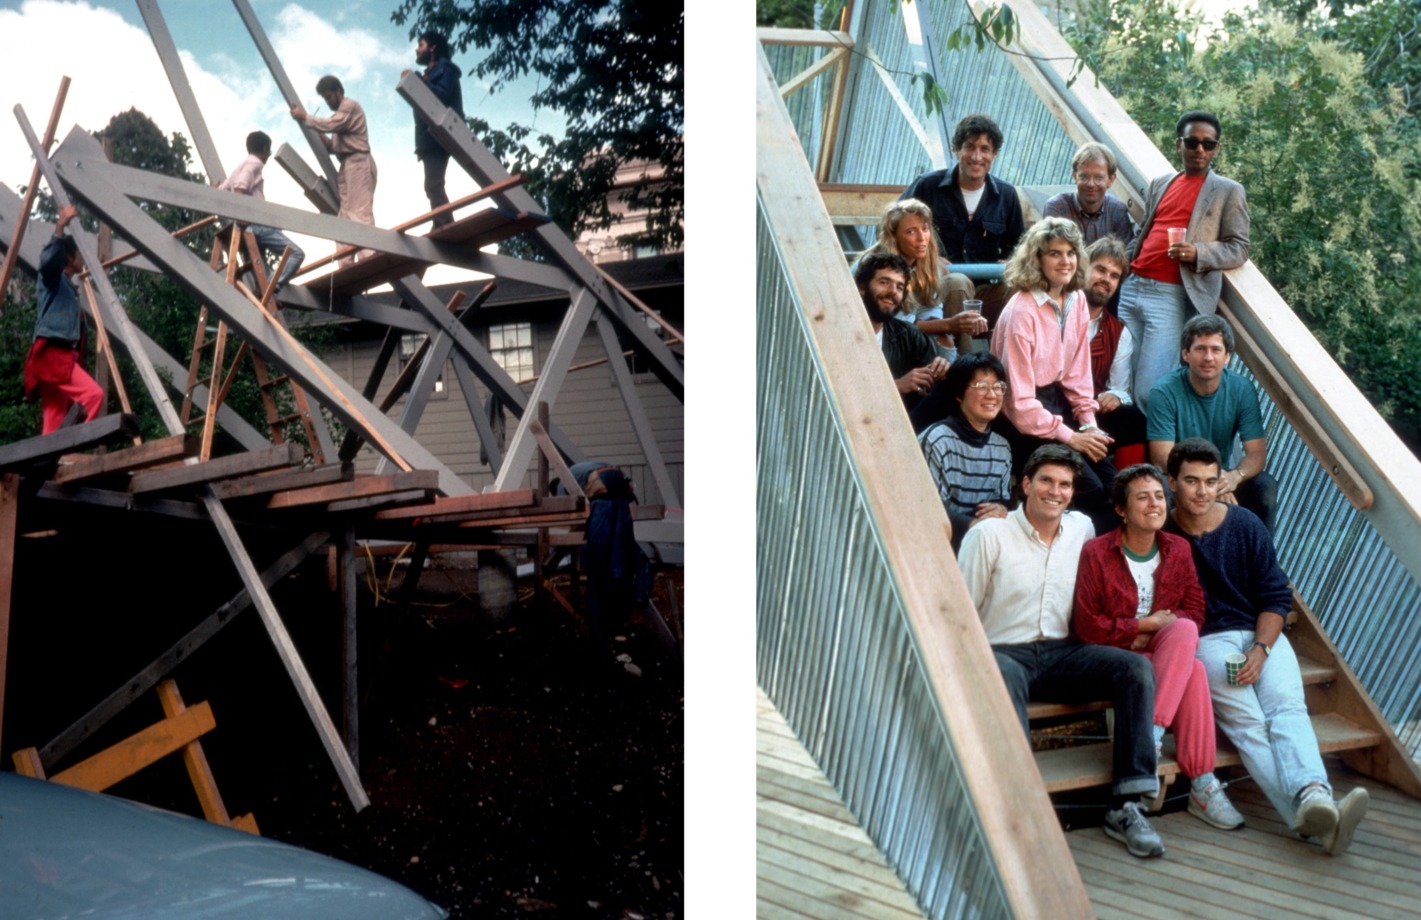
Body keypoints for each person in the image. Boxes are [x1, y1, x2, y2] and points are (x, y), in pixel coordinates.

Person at [1163, 438, 1368, 855]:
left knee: (1287, 709)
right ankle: (1318, 815)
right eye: (1191, 481)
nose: (1202, 491)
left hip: (1260, 632)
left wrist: (1260, 648)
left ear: (1221, 481)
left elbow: (1276, 596)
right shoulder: (1163, 536)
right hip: (1208, 641)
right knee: (1250, 724)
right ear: (1172, 482)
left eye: (1210, 481)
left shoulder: (1245, 525)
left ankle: (1313, 796)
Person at [958, 444, 1162, 858]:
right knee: (1004, 674)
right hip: (1003, 652)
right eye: (1046, 481)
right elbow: (961, 613)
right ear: (1025, 484)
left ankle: (1127, 803)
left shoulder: (1082, 528)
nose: (1055, 491)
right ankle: (1017, 808)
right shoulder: (989, 534)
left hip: (1062, 653)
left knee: (1133, 669)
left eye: (1065, 484)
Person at [1073, 463, 1245, 833]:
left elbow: (1195, 610)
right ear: (1121, 509)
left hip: (1161, 652)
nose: (1154, 504)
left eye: (1158, 496)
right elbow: (1087, 626)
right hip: (1115, 658)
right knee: (1193, 669)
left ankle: (1152, 740)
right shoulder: (1097, 553)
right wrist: (1141, 626)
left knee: (1186, 632)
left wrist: (1152, 632)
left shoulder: (1177, 549)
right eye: (1142, 497)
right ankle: (1202, 784)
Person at [990, 217, 1116, 534]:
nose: (1065, 261)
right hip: (1022, 421)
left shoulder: (1076, 300)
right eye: (1055, 253)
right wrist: (1073, 437)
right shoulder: (1022, 311)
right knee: (1091, 490)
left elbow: (1077, 374)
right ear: (1037, 259)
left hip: (1057, 405)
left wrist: (1089, 425)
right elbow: (1019, 405)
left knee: (1115, 484)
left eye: (1071, 253)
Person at [1119, 110, 1249, 410]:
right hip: (1132, 285)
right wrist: (1123, 264)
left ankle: (1158, 441)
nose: (1199, 150)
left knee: (1150, 390)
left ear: (1216, 148)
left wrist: (1198, 253)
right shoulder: (1161, 182)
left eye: (1208, 144)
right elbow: (1143, 231)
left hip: (1170, 295)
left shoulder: (1228, 190)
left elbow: (1239, 247)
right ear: (1179, 144)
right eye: (1192, 142)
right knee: (1118, 379)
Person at [1147, 314, 1277, 531]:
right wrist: (1208, 483)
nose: (1208, 357)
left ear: (1227, 357)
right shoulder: (1164, 392)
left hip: (1222, 475)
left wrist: (1234, 477)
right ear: (1186, 354)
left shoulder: (1242, 389)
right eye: (1200, 349)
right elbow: (1162, 458)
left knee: (1264, 486)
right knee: (1161, 490)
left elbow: (1257, 454)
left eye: (1216, 350)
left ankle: (1261, 550)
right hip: (1181, 477)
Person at [900, 114, 1024, 319]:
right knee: (958, 282)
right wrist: (927, 259)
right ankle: (956, 342)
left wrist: (1010, 261)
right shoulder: (927, 186)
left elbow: (1020, 245)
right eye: (969, 147)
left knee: (1021, 288)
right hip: (934, 289)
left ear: (995, 154)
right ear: (956, 149)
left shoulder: (1006, 195)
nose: (976, 156)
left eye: (985, 149)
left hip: (984, 290)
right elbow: (891, 229)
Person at [861, 199, 986, 360]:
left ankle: (964, 368)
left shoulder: (926, 262)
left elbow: (931, 307)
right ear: (894, 236)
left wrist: (943, 329)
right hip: (874, 335)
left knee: (945, 344)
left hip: (908, 330)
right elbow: (896, 323)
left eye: (925, 229)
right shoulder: (877, 265)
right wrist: (950, 324)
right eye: (911, 232)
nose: (921, 238)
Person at [917, 353, 1013, 551]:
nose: (992, 395)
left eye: (998, 387)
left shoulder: (1002, 447)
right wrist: (973, 526)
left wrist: (1000, 508)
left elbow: (1000, 500)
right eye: (982, 386)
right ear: (959, 394)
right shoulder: (937, 440)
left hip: (981, 544)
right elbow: (929, 507)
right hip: (936, 545)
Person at [24, 205, 104, 434]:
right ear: (69, 257)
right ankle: (77, 444)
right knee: (94, 396)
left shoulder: (69, 290)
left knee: (55, 416)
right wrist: (60, 226)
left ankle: (50, 455)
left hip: (55, 357)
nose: (83, 259)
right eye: (80, 255)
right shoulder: (54, 280)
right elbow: (48, 262)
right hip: (53, 355)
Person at [290, 75, 377, 264]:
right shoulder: (339, 117)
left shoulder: (349, 107)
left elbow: (332, 124)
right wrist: (316, 130)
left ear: (339, 92)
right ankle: (345, 263)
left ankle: (370, 259)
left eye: (329, 97)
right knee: (344, 216)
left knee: (359, 213)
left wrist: (306, 118)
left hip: (359, 161)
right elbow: (332, 146)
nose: (328, 101)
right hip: (347, 165)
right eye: (325, 98)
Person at [854, 251, 949, 417]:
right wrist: (895, 386)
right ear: (862, 287)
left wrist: (942, 371)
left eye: (899, 287)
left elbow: (935, 392)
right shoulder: (840, 333)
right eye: (884, 282)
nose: (892, 291)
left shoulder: (910, 335)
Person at [1084, 237, 1147, 467]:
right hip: (1053, 409)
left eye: (1114, 276)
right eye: (1100, 270)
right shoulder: (1058, 312)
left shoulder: (1119, 332)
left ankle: (1128, 483)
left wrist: (1116, 396)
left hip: (1090, 413)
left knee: (1133, 419)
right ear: (1083, 268)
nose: (1106, 280)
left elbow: (1119, 386)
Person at [216, 130, 305, 290]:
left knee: (262, 272)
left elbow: (222, 191)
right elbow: (240, 187)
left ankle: (266, 285)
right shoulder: (255, 164)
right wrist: (241, 215)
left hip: (243, 229)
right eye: (269, 151)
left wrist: (217, 189)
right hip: (254, 224)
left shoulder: (239, 168)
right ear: (265, 149)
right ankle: (274, 284)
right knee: (296, 254)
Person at [402, 30, 464, 227]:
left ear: (433, 47)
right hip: (430, 137)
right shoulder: (431, 74)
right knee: (432, 185)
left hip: (440, 134)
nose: (417, 49)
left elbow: (442, 95)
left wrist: (417, 82)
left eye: (421, 45)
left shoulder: (445, 68)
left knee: (433, 184)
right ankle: (442, 221)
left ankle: (444, 223)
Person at [1043, 141, 1135, 246]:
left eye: (1099, 178)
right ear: (1075, 176)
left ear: (1111, 179)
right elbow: (1052, 250)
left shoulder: (1117, 211)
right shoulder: (1057, 207)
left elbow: (1124, 254)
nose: (1091, 184)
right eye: (1084, 177)